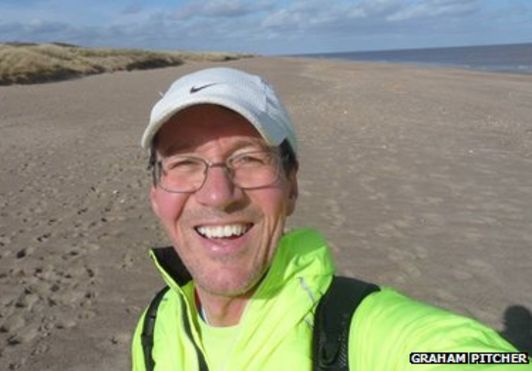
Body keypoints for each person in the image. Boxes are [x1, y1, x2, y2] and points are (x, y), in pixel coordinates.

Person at [131, 67, 528, 370]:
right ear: (156, 195)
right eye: (184, 162)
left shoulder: (360, 333)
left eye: (249, 158)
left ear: (292, 186)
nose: (218, 194)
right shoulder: (155, 323)